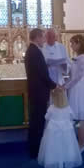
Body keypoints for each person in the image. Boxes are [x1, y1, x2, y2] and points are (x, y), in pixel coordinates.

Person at [24, 28, 57, 159]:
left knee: (36, 121)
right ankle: (35, 151)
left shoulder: (32, 51)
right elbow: (42, 74)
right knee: (37, 122)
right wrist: (54, 85)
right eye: (42, 37)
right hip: (38, 93)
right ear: (37, 37)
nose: (44, 40)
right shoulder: (34, 52)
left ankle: (34, 149)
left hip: (36, 91)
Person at [38, 89, 82, 168]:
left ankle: (51, 160)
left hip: (53, 130)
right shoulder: (68, 108)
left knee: (52, 145)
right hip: (66, 130)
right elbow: (73, 117)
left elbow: (46, 117)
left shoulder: (51, 108)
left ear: (54, 97)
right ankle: (68, 158)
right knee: (67, 144)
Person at [62, 35, 84, 153]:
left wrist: (65, 86)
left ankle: (82, 144)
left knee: (81, 118)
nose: (71, 45)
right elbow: (70, 73)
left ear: (79, 44)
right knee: (76, 117)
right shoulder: (77, 57)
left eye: (73, 43)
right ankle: (77, 143)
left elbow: (78, 77)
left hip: (79, 89)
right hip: (74, 89)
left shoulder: (83, 58)